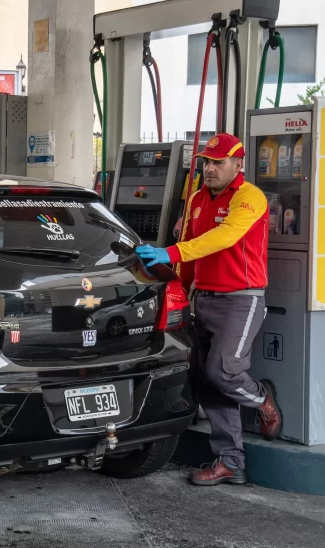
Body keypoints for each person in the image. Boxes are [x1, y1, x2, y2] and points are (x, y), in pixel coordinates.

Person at [135, 133, 282, 486]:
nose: (210, 168)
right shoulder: (198, 199)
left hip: (242, 299)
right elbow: (191, 247)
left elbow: (224, 238)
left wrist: (170, 253)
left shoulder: (250, 198)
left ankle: (262, 399)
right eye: (206, 162)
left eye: (218, 162)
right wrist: (180, 292)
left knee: (224, 372)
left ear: (238, 164)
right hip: (204, 298)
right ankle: (230, 461)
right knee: (207, 382)